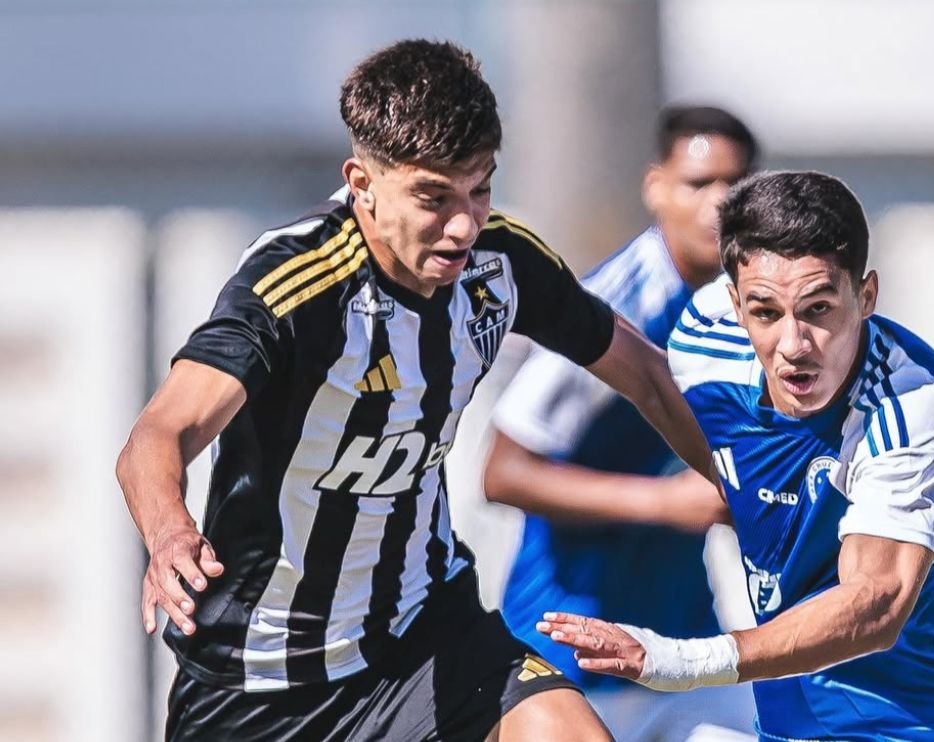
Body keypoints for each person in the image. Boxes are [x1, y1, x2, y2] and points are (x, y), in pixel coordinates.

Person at [116, 39, 717, 741]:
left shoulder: (501, 261)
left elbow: (645, 373)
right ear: (362, 183)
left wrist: (748, 492)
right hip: (262, 683)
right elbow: (158, 435)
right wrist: (169, 534)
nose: (463, 225)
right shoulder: (295, 287)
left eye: (480, 188)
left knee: (568, 732)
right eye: (434, 197)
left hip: (425, 635)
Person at [538, 171, 934, 741]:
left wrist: (682, 661)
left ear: (867, 296)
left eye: (819, 308)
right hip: (796, 728)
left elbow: (874, 605)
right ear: (735, 304)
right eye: (766, 312)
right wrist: (536, 293)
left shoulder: (913, 407)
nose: (794, 344)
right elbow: (662, 395)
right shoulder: (706, 338)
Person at [484, 106, 759, 740]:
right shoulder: (617, 308)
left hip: (681, 646)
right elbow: (502, 473)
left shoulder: (753, 310)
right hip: (571, 656)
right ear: (656, 187)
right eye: (698, 184)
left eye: (735, 185)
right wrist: (663, 503)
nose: (718, 204)